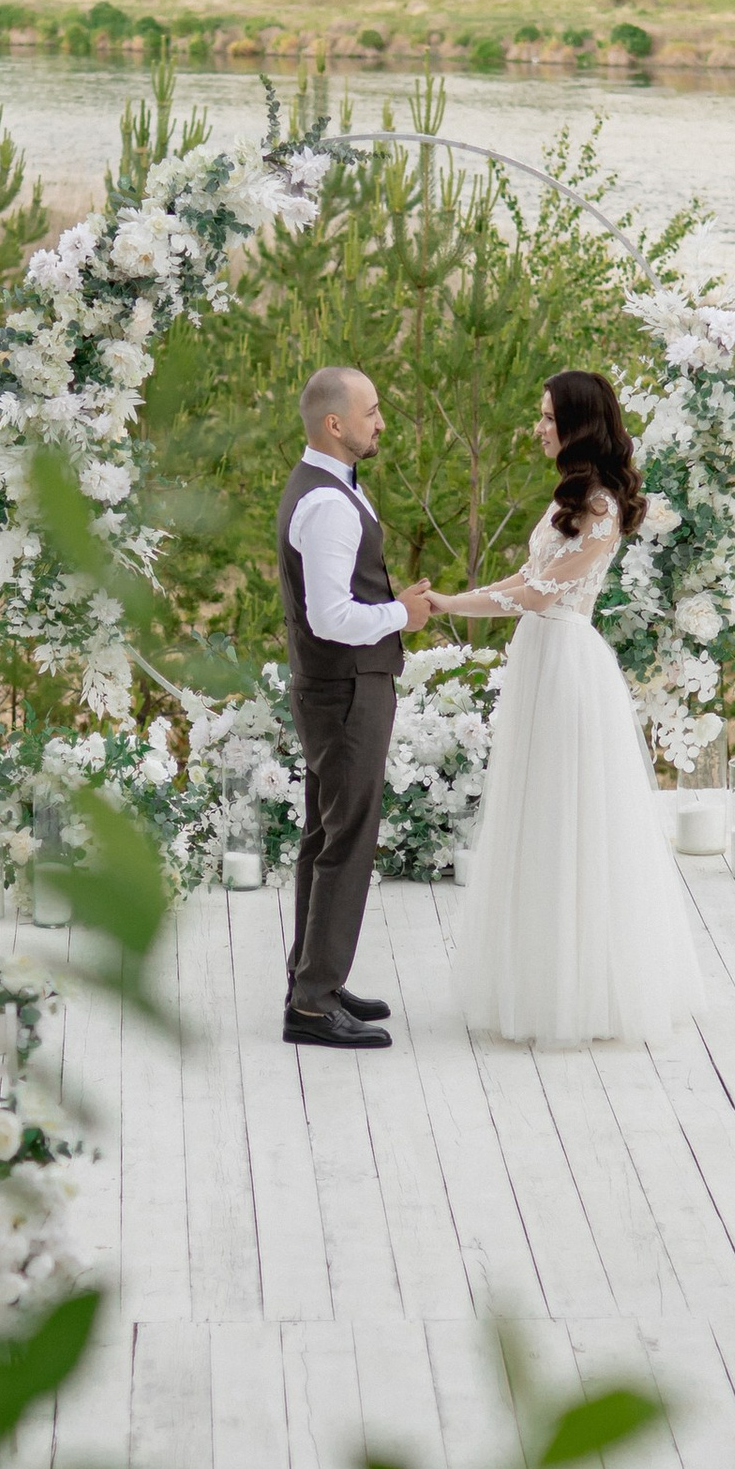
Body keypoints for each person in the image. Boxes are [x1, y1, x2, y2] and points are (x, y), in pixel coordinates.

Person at [436, 370, 697, 1047]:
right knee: (532, 813)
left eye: (549, 417)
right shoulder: (570, 501)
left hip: (567, 668)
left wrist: (447, 605)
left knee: (569, 817)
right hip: (537, 661)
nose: (538, 427)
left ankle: (581, 988)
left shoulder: (604, 509)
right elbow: (523, 580)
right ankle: (533, 974)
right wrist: (453, 600)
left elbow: (537, 595)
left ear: (579, 425)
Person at [277, 365, 437, 1053]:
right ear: (334, 425)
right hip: (346, 691)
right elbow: (332, 616)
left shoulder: (326, 487)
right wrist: (406, 614)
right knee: (347, 841)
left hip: (336, 688)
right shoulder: (328, 505)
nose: (382, 423)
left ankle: (314, 981)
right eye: (372, 412)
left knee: (324, 836)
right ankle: (312, 1005)